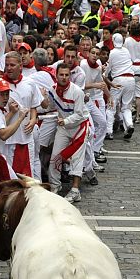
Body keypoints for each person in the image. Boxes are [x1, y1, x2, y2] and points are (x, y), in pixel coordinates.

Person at [47, 62, 89, 202]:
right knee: (55, 156)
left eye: (67, 75)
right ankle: (55, 185)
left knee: (77, 158)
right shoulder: (52, 90)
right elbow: (50, 106)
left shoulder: (77, 91)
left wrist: (64, 121)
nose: (64, 77)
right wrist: (42, 101)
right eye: (61, 75)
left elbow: (79, 114)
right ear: (56, 75)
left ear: (70, 76)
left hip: (79, 127)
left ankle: (75, 190)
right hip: (64, 127)